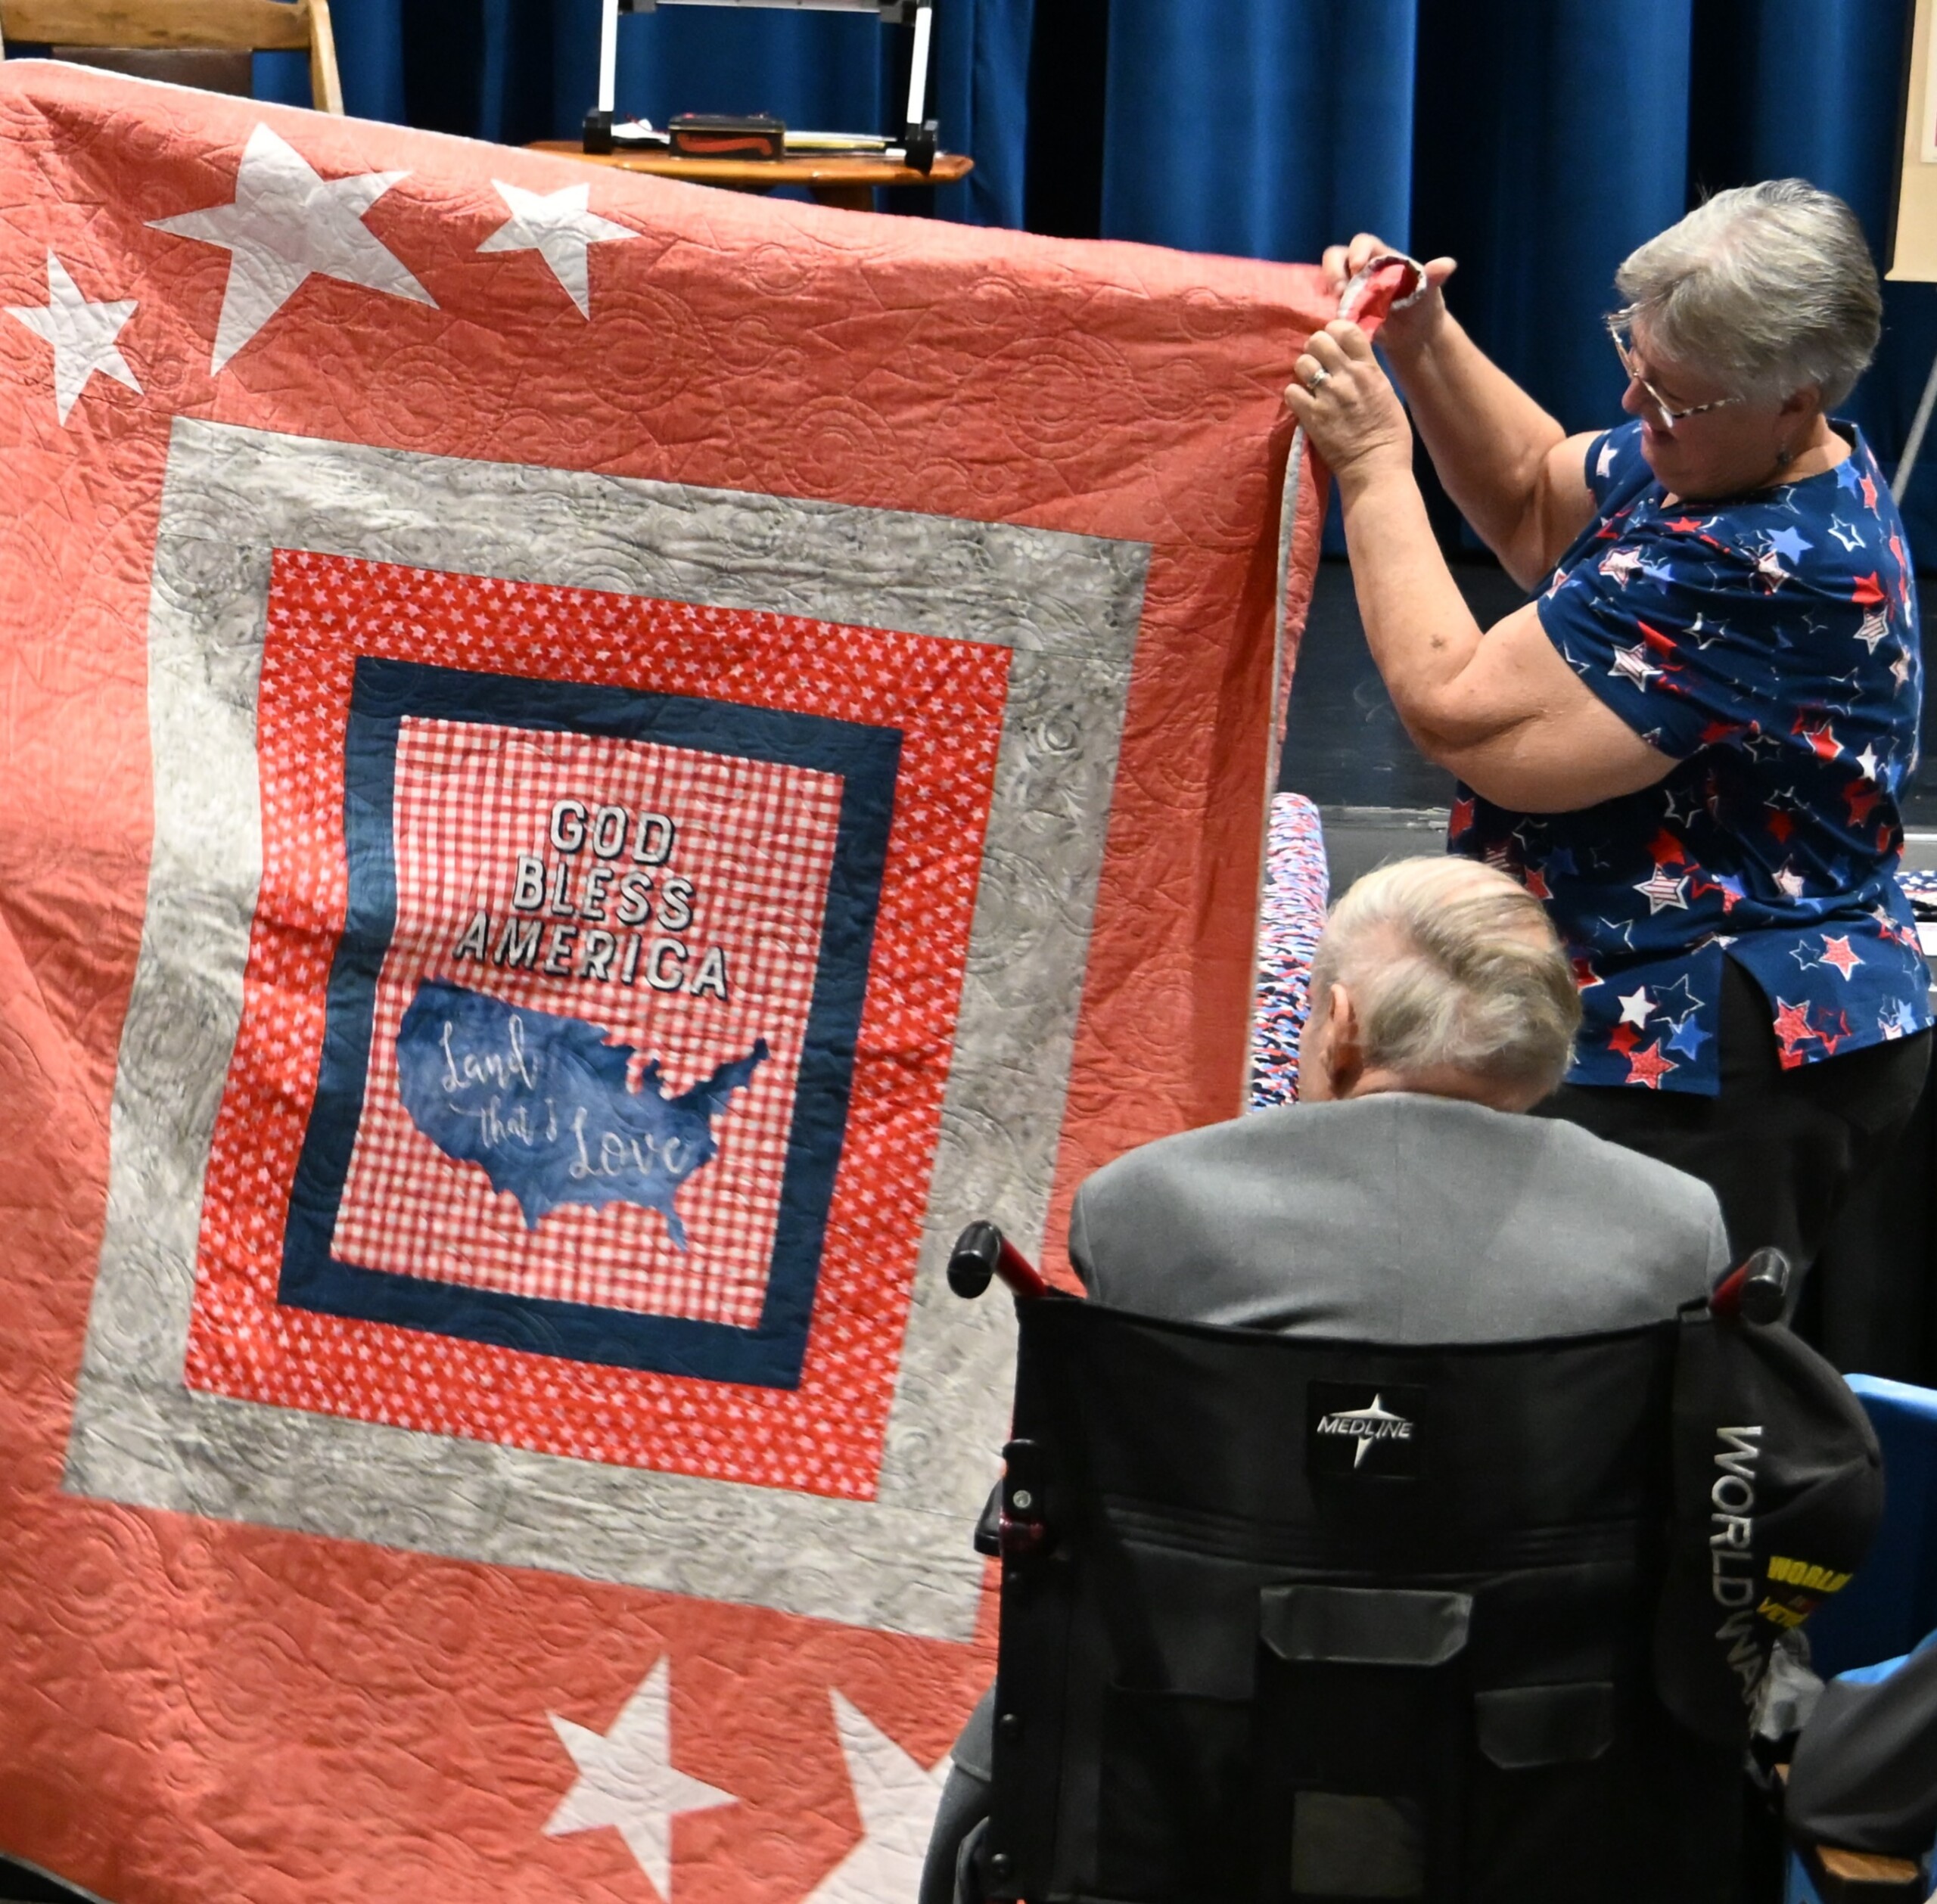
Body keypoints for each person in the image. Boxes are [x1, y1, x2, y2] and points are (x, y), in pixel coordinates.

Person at [919, 856, 1730, 1904]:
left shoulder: (1139, 1208)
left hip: (1185, 1752)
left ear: (1338, 1022)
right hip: (1544, 1775)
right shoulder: (1672, 1228)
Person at [1286, 182, 1933, 1358]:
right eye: (1633, 363)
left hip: (1730, 1048)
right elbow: (1539, 496)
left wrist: (1376, 466)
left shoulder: (1771, 559)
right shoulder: (1720, 454)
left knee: (1654, 1386)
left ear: (1798, 398)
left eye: (1671, 396)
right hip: (1657, 995)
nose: (1636, 407)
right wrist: (1428, 344)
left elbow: (1462, 712)